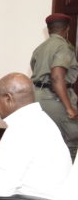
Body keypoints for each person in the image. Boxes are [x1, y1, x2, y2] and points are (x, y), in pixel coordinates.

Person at [31, 13, 78, 157]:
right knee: (71, 142)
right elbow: (57, 77)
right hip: (56, 98)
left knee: (44, 142)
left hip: (36, 97)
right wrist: (69, 107)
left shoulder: (40, 48)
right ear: (67, 29)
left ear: (48, 29)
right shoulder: (63, 47)